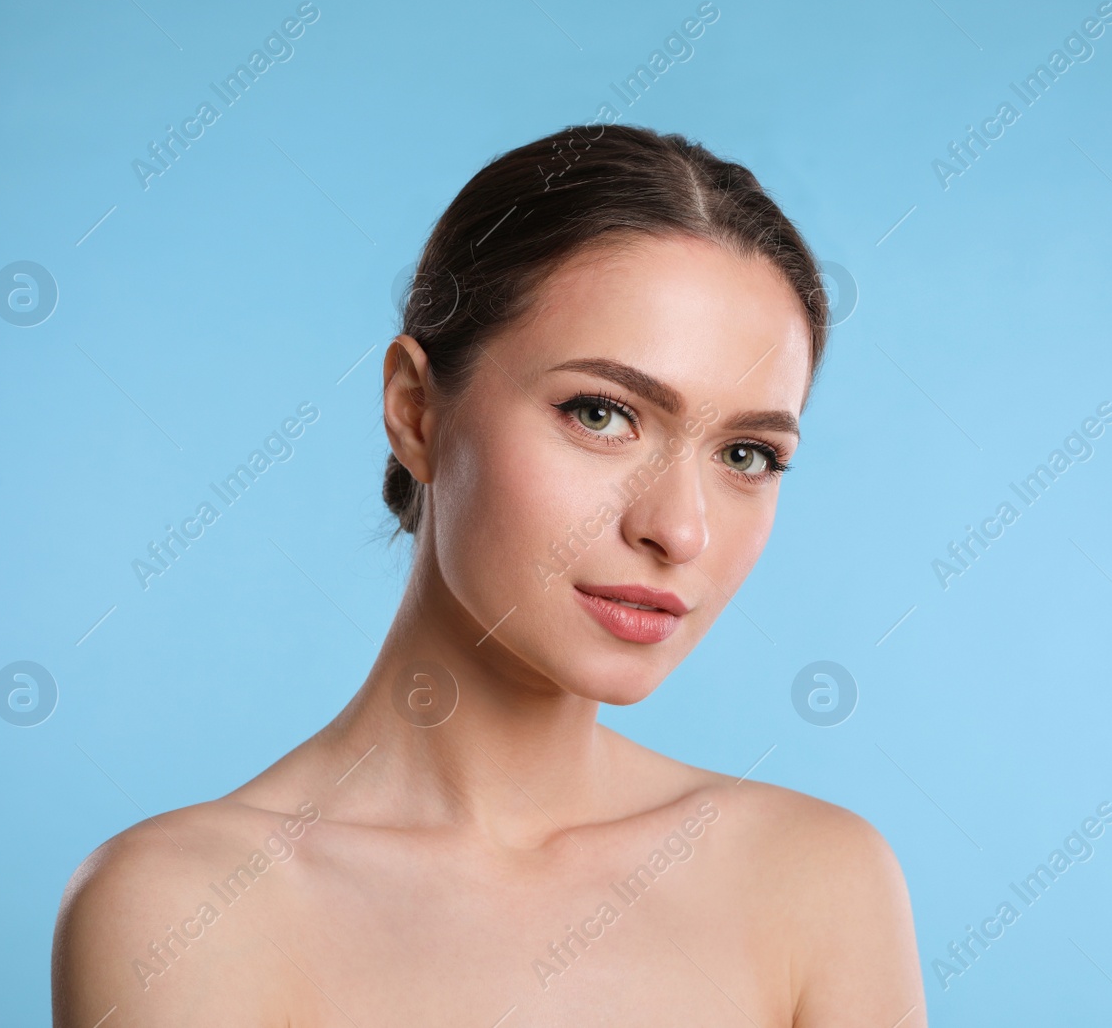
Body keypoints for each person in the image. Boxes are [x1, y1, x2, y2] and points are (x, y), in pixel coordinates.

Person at [51, 122, 926, 1025]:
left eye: (746, 454)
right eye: (602, 413)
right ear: (416, 412)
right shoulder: (187, 910)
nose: (678, 528)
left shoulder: (818, 880)